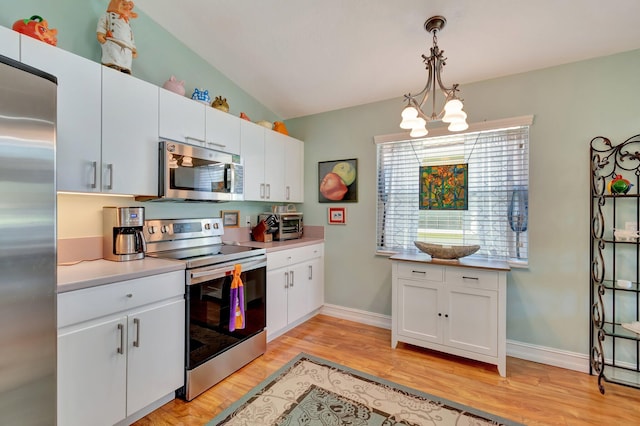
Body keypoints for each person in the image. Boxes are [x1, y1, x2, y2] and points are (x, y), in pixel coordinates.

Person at [96, 0, 138, 74]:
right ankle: (113, 65)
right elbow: (102, 24)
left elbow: (131, 36)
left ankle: (125, 68)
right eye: (124, 5)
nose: (127, 7)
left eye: (128, 6)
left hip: (127, 46)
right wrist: (101, 34)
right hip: (112, 41)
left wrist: (133, 49)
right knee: (113, 55)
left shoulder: (127, 22)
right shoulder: (108, 15)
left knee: (126, 59)